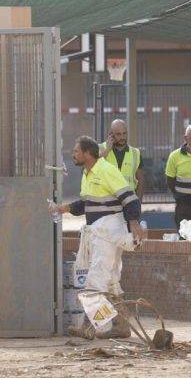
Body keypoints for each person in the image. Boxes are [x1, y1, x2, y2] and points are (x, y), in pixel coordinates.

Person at [50, 136, 145, 339]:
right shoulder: (88, 173)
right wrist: (63, 208)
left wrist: (135, 224)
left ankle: (93, 326)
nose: (73, 154)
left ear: (87, 153)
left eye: (76, 151)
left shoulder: (106, 170)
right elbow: (87, 204)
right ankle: (120, 326)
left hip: (108, 233)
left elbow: (130, 198)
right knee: (110, 281)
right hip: (101, 232)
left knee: (94, 282)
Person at [99, 119, 144, 201]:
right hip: (107, 202)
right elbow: (93, 167)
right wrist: (107, 150)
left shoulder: (135, 153)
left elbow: (140, 181)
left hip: (129, 202)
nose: (122, 137)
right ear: (110, 135)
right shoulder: (100, 149)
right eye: (118, 134)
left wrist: (138, 203)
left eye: (124, 133)